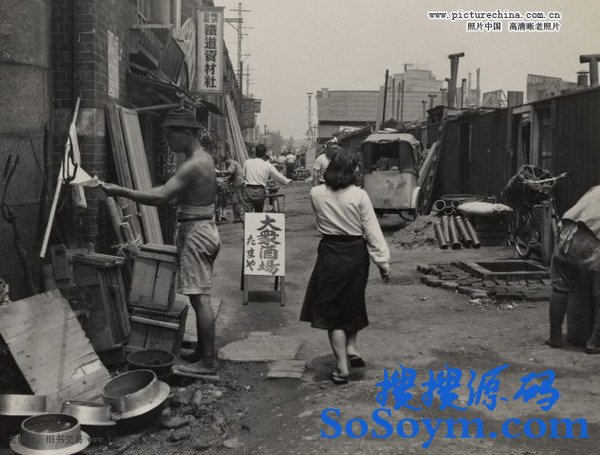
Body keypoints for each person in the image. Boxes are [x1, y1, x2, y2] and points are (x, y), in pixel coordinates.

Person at [99, 109, 220, 375]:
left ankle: (209, 362)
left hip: (197, 231)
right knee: (197, 294)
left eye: (170, 135)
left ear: (186, 133)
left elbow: (160, 197)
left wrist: (120, 191)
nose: (167, 141)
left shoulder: (193, 164)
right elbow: (166, 191)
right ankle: (203, 351)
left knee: (201, 297)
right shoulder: (202, 158)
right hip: (201, 227)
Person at [300, 151, 391, 384]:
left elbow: (320, 218)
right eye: (356, 167)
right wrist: (383, 263)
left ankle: (343, 362)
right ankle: (348, 353)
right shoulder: (359, 195)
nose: (359, 171)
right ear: (351, 170)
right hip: (355, 255)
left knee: (333, 312)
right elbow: (372, 230)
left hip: (330, 254)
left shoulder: (315, 193)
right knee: (352, 301)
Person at [545, 185, 600, 354]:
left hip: (567, 231)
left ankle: (555, 336)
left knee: (560, 287)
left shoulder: (595, 189)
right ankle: (595, 342)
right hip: (593, 237)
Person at [242, 143, 291, 213]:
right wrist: (287, 181)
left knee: (247, 213)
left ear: (255, 152)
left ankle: (248, 220)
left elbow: (243, 176)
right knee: (259, 212)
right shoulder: (267, 164)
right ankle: (258, 219)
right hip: (260, 191)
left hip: (248, 190)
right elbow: (277, 175)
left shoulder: (247, 162)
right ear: (265, 153)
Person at [217, 157, 244, 223]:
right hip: (238, 183)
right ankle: (238, 217)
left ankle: (239, 217)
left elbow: (229, 171)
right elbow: (231, 175)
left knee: (236, 201)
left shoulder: (233, 163)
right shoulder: (235, 163)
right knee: (237, 200)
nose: (226, 165)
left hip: (238, 183)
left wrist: (220, 172)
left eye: (226, 163)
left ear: (227, 160)